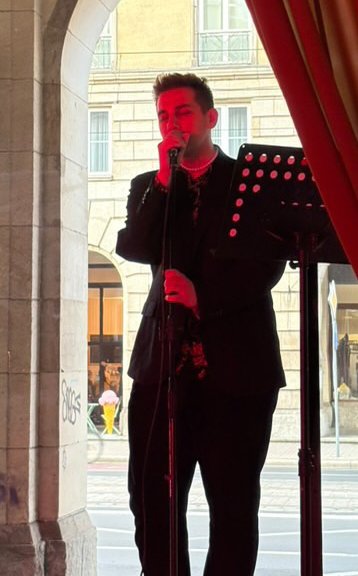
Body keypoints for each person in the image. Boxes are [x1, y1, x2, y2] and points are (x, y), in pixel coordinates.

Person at [115, 73, 286, 576]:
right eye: (164, 116)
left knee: (232, 506)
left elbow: (267, 265)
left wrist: (202, 298)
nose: (173, 124)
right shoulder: (149, 186)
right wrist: (165, 182)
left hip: (236, 370)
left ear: (210, 118)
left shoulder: (246, 183)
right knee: (151, 499)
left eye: (183, 113)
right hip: (161, 369)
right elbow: (135, 246)